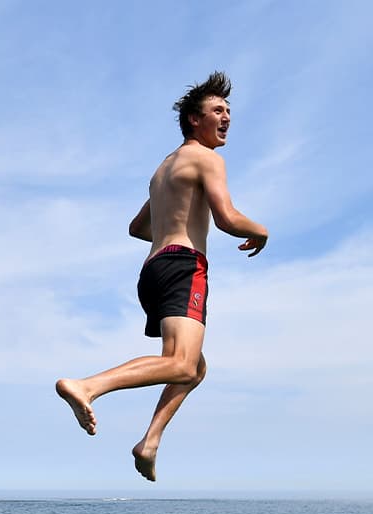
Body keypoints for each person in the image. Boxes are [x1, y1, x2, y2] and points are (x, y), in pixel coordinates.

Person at [55, 71, 269, 482]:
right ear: (194, 119)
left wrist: (177, 222)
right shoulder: (208, 159)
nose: (226, 118)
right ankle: (88, 386)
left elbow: (138, 228)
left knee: (194, 367)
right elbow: (227, 219)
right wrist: (259, 230)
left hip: (153, 269)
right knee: (181, 363)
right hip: (185, 266)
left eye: (228, 112)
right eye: (217, 111)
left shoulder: (163, 169)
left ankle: (149, 442)